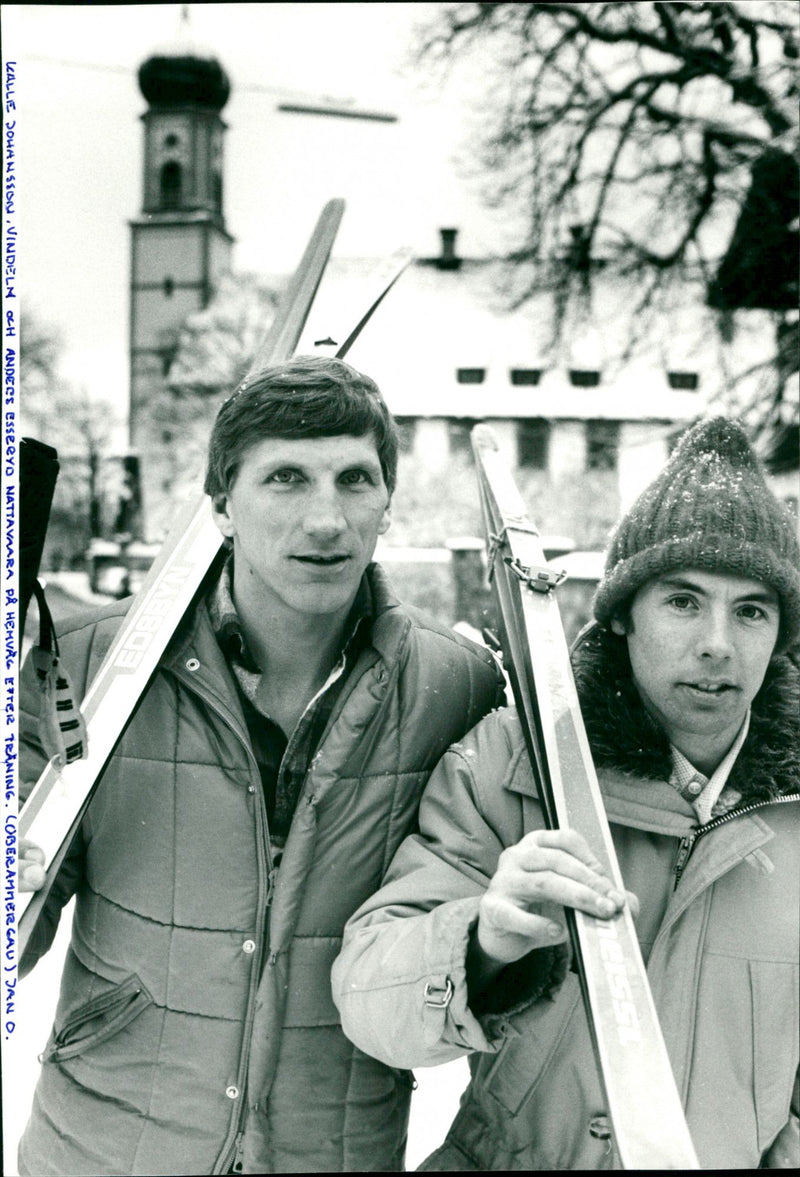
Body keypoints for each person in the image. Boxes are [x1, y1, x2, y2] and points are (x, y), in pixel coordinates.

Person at [16, 355, 505, 1177]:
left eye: (356, 479)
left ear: (388, 503)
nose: (326, 520)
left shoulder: (457, 688)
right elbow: (14, 929)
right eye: (285, 478)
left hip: (333, 1148)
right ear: (221, 505)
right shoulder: (91, 665)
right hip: (105, 1147)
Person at [333, 416, 800, 1171]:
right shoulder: (513, 765)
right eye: (683, 600)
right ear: (619, 615)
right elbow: (366, 995)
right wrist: (481, 941)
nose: (718, 640)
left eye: (751, 609)